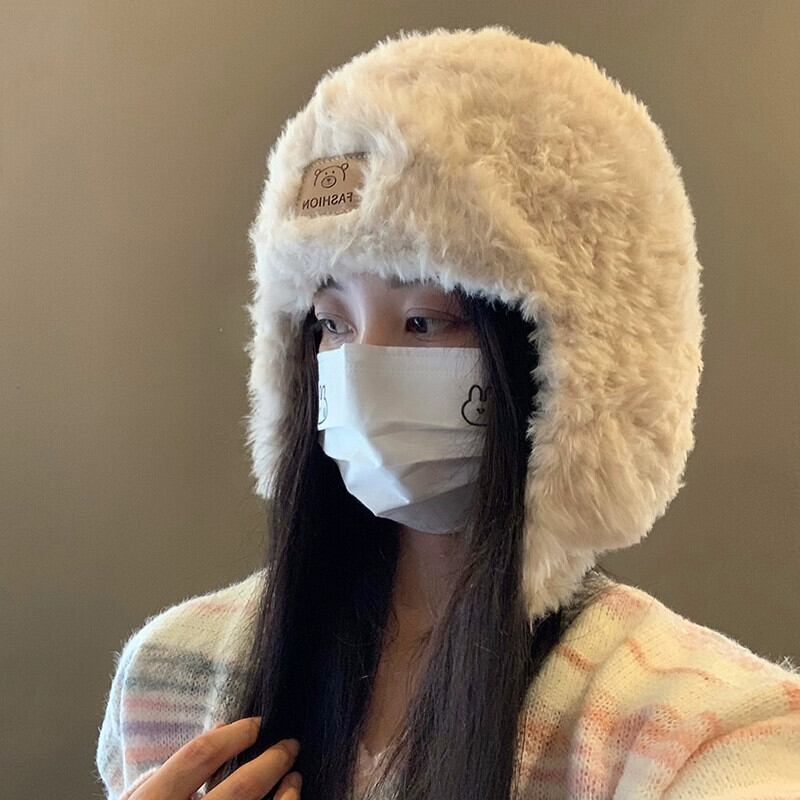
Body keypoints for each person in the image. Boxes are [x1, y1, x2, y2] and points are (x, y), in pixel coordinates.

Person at [95, 25, 800, 800]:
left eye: (426, 321)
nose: (362, 367)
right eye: (332, 323)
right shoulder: (170, 678)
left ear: (572, 364)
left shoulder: (699, 732)